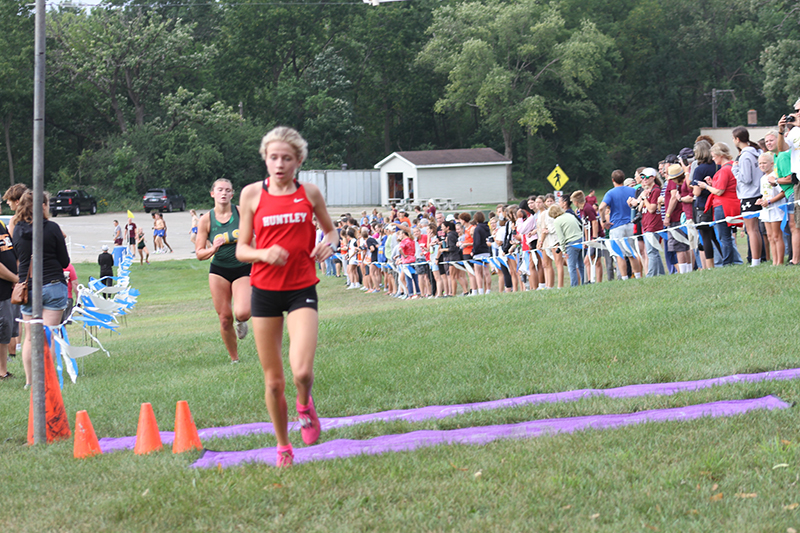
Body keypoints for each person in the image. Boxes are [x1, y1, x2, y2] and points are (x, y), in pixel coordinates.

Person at [236, 127, 337, 467]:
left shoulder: (309, 193)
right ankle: (283, 446)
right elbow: (242, 250)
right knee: (274, 381)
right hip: (264, 292)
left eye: (287, 158)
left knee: (302, 372)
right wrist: (263, 255)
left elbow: (331, 229)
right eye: (273, 157)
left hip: (300, 289)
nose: (279, 164)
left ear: (298, 161)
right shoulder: (251, 194)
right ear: (265, 158)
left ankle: (305, 405)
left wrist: (330, 243)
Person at [13, 191, 70, 389]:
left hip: (28, 287)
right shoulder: (52, 228)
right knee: (49, 333)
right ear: (43, 206)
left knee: (29, 336)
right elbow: (65, 261)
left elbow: (18, 258)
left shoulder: (18, 231)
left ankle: (30, 381)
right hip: (53, 284)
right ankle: (47, 378)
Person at [195, 179, 252, 364]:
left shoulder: (241, 212)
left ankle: (241, 321)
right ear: (212, 193)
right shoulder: (206, 220)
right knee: (224, 318)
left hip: (243, 267)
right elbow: (199, 253)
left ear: (232, 194)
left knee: (242, 312)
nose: (223, 193)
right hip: (219, 270)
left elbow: (259, 233)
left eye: (227, 190)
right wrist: (213, 249)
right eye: (220, 190)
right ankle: (234, 359)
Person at [697, 143, 741, 266]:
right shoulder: (732, 166)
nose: (713, 159)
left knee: (724, 237)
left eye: (714, 156)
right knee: (728, 236)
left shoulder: (724, 170)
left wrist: (705, 186)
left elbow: (720, 191)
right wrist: (712, 184)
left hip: (722, 206)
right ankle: (733, 260)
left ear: (720, 155)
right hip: (730, 203)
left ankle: (728, 262)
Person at [599, 170, 642, 279]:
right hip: (631, 224)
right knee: (632, 252)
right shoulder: (632, 190)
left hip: (617, 225)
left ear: (613, 180)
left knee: (620, 254)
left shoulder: (610, 193)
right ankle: (637, 275)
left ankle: (624, 277)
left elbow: (601, 207)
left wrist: (604, 221)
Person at [731, 126, 764, 266]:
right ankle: (759, 258)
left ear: (737, 139)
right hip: (758, 193)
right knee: (756, 229)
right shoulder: (757, 152)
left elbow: (746, 178)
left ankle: (756, 260)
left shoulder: (745, 156)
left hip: (748, 195)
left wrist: (735, 170)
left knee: (751, 230)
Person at [690, 140, 720, 270]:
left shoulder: (699, 170)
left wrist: (695, 188)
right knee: (718, 235)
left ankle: (710, 265)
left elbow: (696, 192)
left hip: (703, 205)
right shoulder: (717, 166)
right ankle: (726, 258)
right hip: (717, 202)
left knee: (706, 236)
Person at [756, 152, 786, 266]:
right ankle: (774, 261)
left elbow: (782, 192)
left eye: (764, 163)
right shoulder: (762, 178)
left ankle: (780, 261)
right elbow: (764, 194)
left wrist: (770, 201)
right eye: (760, 163)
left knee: (777, 235)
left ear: (772, 163)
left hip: (776, 209)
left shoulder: (775, 176)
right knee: (769, 236)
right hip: (766, 210)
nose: (762, 165)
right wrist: (761, 200)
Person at [0, 217, 18, 380]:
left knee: (6, 331)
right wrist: (15, 279)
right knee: (2, 329)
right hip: (2, 288)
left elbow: (11, 251)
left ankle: (3, 370)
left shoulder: (2, 226)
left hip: (8, 289)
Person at [549, 204, 584, 286]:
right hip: (581, 240)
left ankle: (574, 285)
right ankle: (584, 282)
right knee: (581, 264)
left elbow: (561, 237)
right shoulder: (569, 215)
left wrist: (563, 250)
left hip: (571, 243)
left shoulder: (557, 221)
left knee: (571, 267)